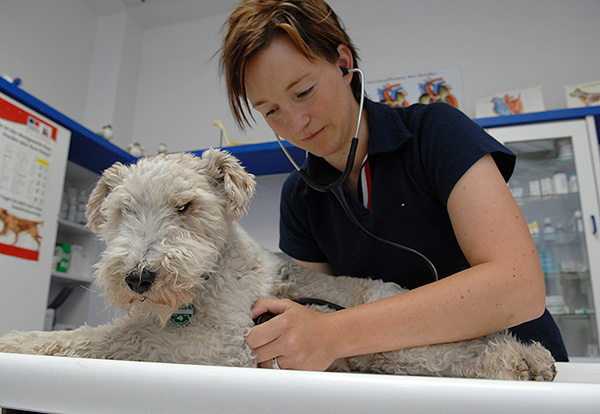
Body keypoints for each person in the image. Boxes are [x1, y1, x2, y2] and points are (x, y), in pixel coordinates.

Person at [220, 0, 568, 371]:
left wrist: (332, 333)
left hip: (519, 371)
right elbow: (318, 308)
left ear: (342, 62)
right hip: (402, 382)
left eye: (304, 91)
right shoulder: (300, 197)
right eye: (270, 110)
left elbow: (518, 286)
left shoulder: (437, 133)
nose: (297, 123)